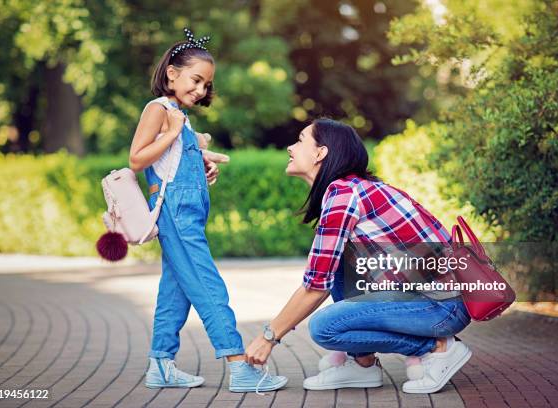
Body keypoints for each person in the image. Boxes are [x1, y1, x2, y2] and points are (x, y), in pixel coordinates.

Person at [245, 118, 472, 394]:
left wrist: (269, 337)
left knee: (323, 327)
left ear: (320, 153)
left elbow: (314, 288)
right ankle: (362, 363)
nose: (291, 147)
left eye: (300, 139)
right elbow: (324, 275)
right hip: (435, 300)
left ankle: (438, 348)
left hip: (442, 307)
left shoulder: (344, 195)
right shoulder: (351, 189)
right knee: (338, 264)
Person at [128, 28, 287, 393]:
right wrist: (171, 134)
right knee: (207, 284)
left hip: (187, 212)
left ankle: (161, 365)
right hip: (175, 213)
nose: (201, 90)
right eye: (196, 80)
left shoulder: (180, 116)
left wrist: (202, 163)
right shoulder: (159, 109)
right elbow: (136, 159)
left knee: (176, 289)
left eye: (206, 85)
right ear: (172, 73)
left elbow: (175, 161)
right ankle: (238, 364)